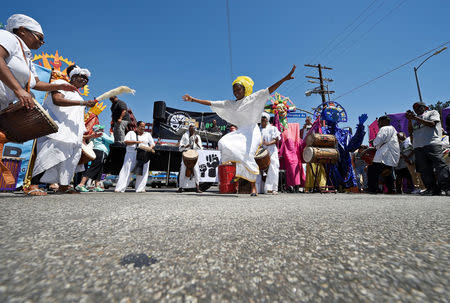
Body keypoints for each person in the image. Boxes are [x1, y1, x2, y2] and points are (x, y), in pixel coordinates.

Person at [182, 65, 296, 196]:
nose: (236, 92)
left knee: (248, 155)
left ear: (245, 89)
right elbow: (211, 103)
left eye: (238, 89)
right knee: (223, 143)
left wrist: (285, 78)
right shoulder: (231, 104)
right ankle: (239, 172)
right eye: (234, 90)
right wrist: (193, 99)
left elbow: (268, 90)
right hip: (241, 132)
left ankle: (253, 187)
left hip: (252, 131)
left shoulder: (252, 98)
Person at [30, 65, 97, 195]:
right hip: (57, 129)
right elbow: (57, 100)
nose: (84, 80)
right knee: (47, 155)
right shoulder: (59, 83)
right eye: (81, 77)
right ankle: (33, 185)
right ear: (72, 76)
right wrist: (83, 103)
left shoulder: (78, 95)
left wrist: (85, 134)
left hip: (73, 134)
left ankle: (64, 186)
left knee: (70, 160)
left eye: (86, 79)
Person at [0, 14, 76, 110]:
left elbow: (36, 83)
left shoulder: (28, 59)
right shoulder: (8, 37)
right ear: (22, 31)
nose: (41, 42)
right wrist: (18, 90)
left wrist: (59, 86)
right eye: (39, 38)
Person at [406, 101, 450, 195]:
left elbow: (432, 124)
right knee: (424, 169)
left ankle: (446, 188)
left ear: (425, 107)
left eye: (418, 107)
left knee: (440, 166)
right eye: (414, 108)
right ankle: (431, 189)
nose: (416, 109)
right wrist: (410, 120)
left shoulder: (432, 112)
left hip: (432, 143)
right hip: (418, 146)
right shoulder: (414, 119)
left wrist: (415, 118)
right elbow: (410, 131)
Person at [115, 121, 155, 193]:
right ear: (137, 126)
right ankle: (120, 188)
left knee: (143, 171)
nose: (143, 128)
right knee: (127, 170)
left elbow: (152, 144)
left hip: (144, 153)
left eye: (144, 126)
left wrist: (149, 148)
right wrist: (137, 142)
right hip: (131, 153)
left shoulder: (147, 134)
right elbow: (126, 141)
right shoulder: (131, 133)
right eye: (141, 126)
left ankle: (140, 188)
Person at [75, 125, 114, 192]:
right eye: (101, 128)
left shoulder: (93, 135)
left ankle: (97, 185)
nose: (103, 130)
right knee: (94, 168)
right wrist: (112, 134)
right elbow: (111, 141)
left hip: (96, 151)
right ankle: (81, 184)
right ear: (98, 130)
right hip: (101, 152)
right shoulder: (101, 134)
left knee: (99, 169)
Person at [367, 116, 400, 194]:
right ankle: (391, 189)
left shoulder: (384, 128)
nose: (378, 124)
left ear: (383, 121)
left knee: (372, 170)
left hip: (384, 154)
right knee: (387, 171)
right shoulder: (393, 129)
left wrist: (373, 142)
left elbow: (379, 140)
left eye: (379, 122)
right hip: (390, 154)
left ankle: (373, 189)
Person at [256, 112, 281, 194]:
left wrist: (268, 143)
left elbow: (277, 139)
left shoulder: (273, 128)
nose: (263, 119)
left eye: (264, 118)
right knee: (258, 169)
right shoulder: (257, 129)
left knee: (273, 167)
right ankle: (259, 189)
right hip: (260, 152)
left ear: (267, 120)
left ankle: (273, 188)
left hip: (272, 150)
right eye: (261, 118)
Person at [178, 124, 203, 193]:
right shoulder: (184, 135)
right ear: (188, 129)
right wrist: (186, 146)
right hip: (186, 154)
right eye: (190, 128)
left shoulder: (197, 136)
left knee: (196, 170)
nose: (192, 129)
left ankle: (197, 187)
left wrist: (197, 143)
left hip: (194, 154)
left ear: (195, 129)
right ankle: (180, 187)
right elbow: (180, 147)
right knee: (183, 170)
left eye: (193, 128)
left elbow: (201, 148)